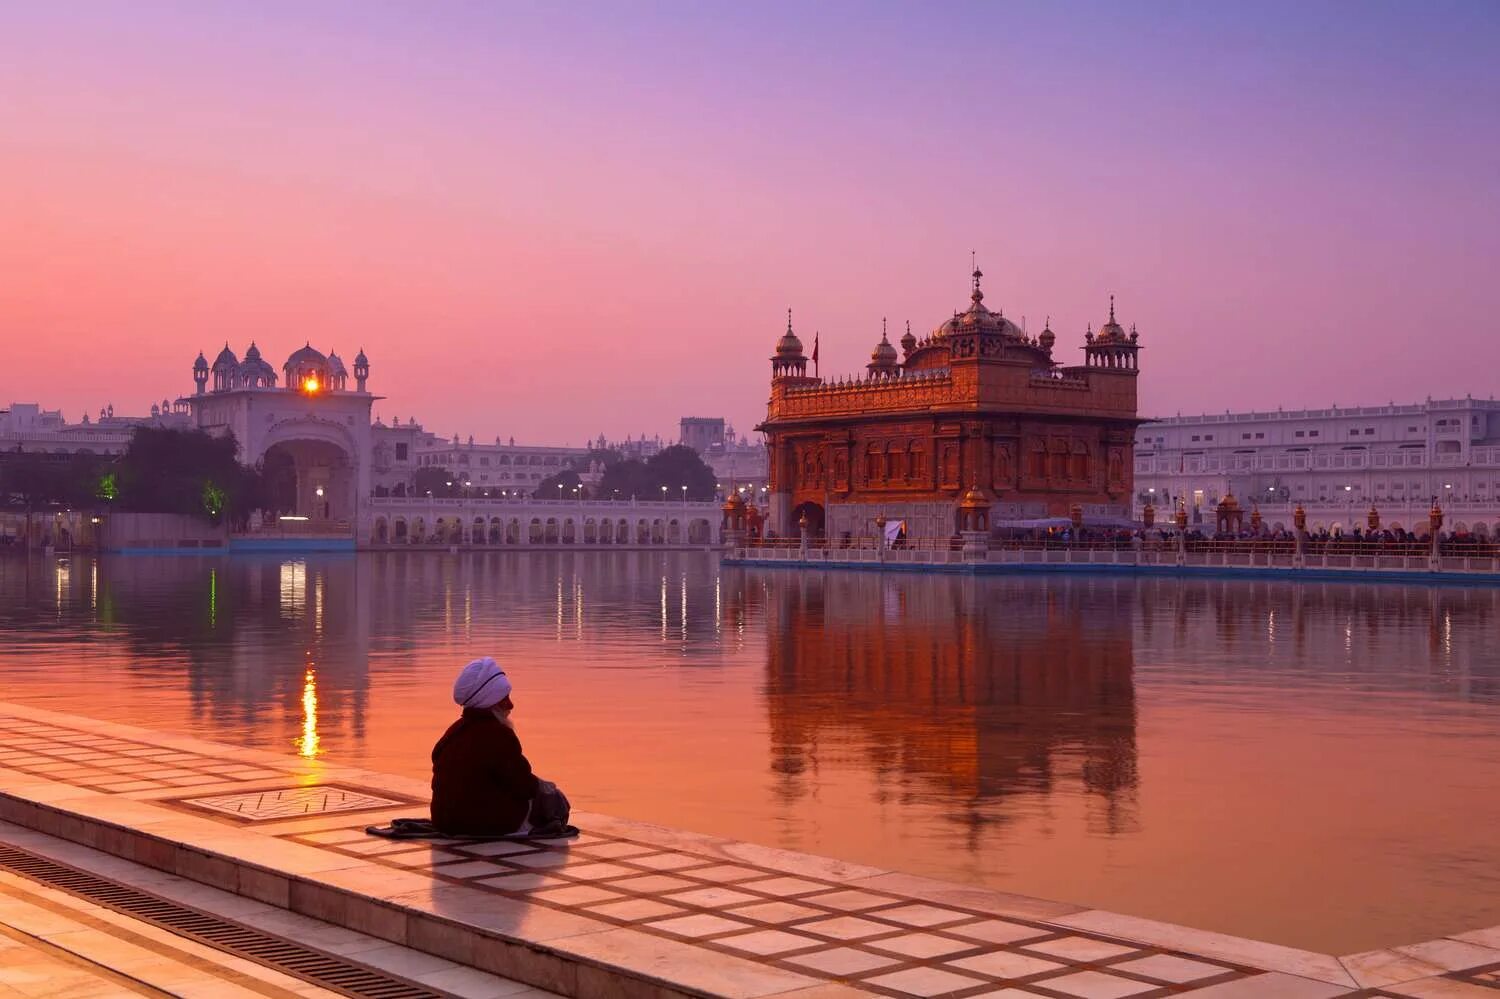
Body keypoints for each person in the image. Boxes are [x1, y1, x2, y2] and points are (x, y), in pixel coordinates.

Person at [430, 657, 570, 836]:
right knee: (554, 800)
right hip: (480, 824)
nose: (510, 705)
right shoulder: (498, 735)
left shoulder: (453, 731)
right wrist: (549, 791)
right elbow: (524, 785)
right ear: (491, 703)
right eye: (505, 699)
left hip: (444, 822)